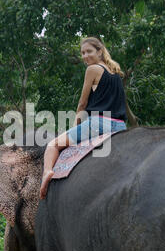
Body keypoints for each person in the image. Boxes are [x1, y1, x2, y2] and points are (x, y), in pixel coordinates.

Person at [39, 37, 137, 199]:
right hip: (120, 126)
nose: (85, 56)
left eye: (89, 51)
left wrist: (75, 125)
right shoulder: (116, 73)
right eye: (83, 53)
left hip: (98, 124)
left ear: (99, 51)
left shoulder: (93, 69)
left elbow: (82, 104)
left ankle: (46, 175)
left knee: (53, 145)